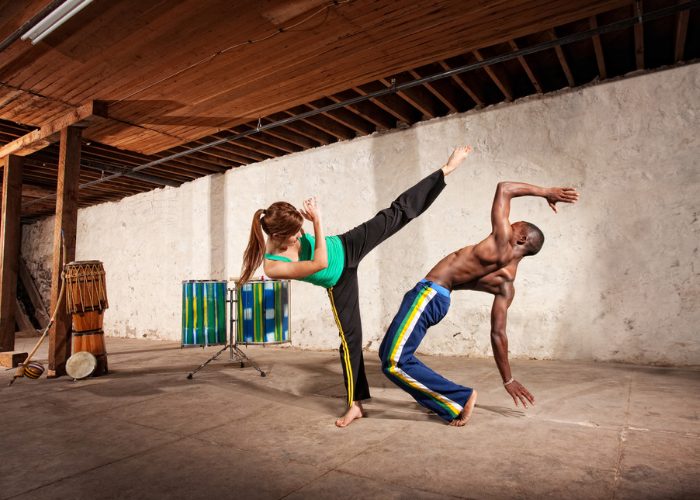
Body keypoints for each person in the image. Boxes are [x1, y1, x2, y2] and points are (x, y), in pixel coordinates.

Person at [238, 146, 473, 427]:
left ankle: (444, 171)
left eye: (301, 228)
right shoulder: (273, 265)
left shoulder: (291, 229)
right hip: (339, 281)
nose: (301, 234)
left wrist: (447, 167)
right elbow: (320, 263)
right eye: (296, 233)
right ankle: (355, 404)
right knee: (350, 344)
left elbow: (324, 247)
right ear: (277, 235)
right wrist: (318, 220)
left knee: (395, 213)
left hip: (347, 245)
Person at [379, 181, 579, 426]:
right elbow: (498, 334)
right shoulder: (507, 284)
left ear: (521, 238)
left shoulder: (502, 241)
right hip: (439, 300)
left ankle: (460, 398)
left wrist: (546, 192)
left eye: (513, 225)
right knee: (389, 354)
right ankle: (441, 401)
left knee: (394, 360)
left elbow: (504, 188)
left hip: (429, 294)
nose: (507, 224)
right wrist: (508, 379)